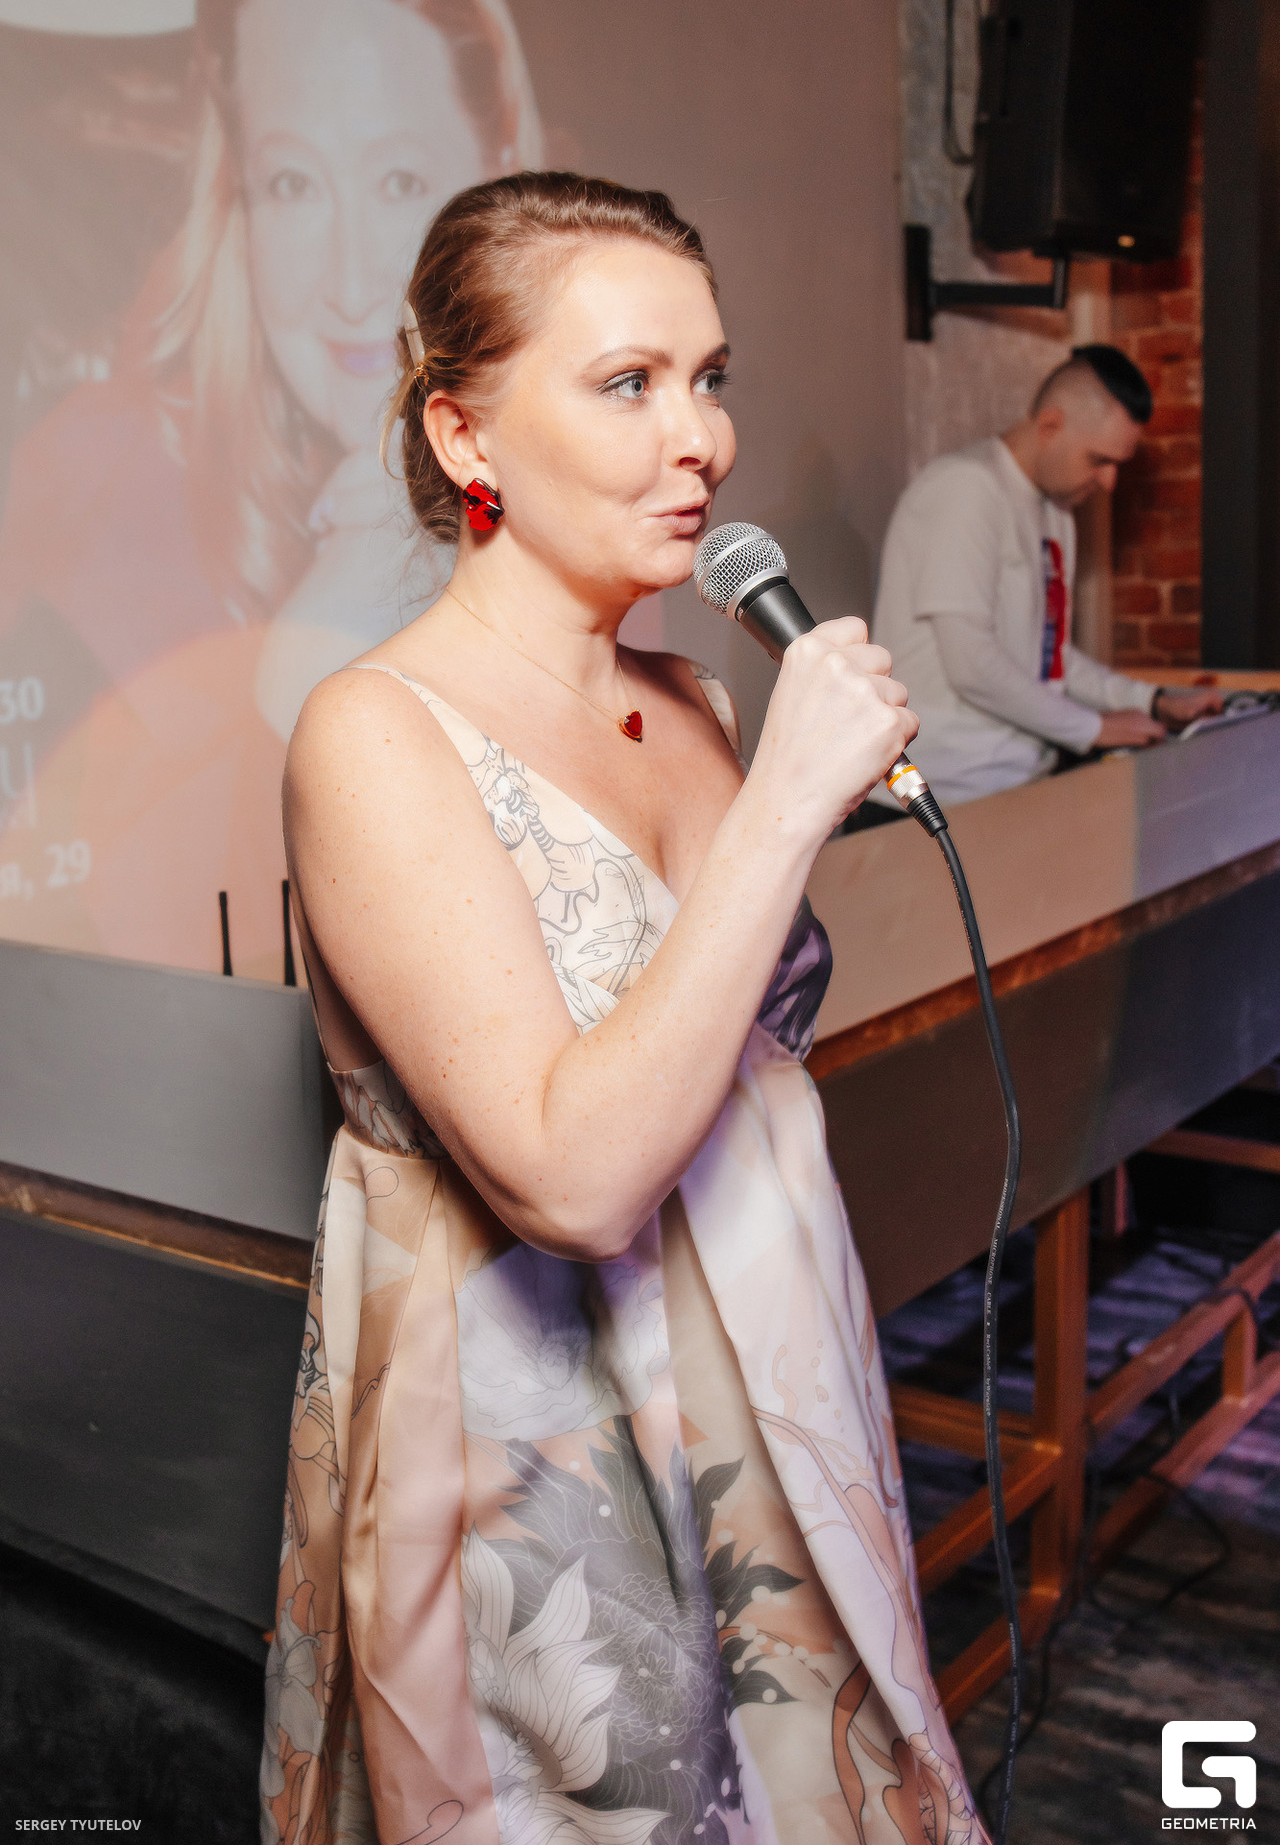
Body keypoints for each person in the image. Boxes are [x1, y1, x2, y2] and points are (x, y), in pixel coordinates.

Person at [261, 172, 989, 1845]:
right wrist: (796, 798)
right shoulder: (372, 733)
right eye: (626, 384)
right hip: (550, 1462)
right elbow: (573, 1179)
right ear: (466, 437)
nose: (701, 440)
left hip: (773, 1398)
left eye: (708, 377)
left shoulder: (695, 695)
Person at [0, 0, 540, 977]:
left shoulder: (571, 472)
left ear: (499, 177)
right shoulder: (99, 496)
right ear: (236, 198)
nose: (348, 279)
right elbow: (162, 982)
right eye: (293, 183)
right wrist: (309, 650)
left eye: (398, 180)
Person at [869, 345, 1220, 810]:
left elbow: (1050, 661)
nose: (1110, 482)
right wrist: (1094, 728)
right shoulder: (965, 489)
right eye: (1099, 460)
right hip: (934, 797)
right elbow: (971, 664)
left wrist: (1153, 700)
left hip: (1014, 783)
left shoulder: (1057, 513)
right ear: (1051, 425)